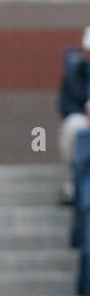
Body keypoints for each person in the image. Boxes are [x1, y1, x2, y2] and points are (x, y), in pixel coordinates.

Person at [58, 27, 90, 203]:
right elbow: (65, 105)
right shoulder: (75, 73)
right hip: (82, 119)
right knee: (72, 126)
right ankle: (70, 185)